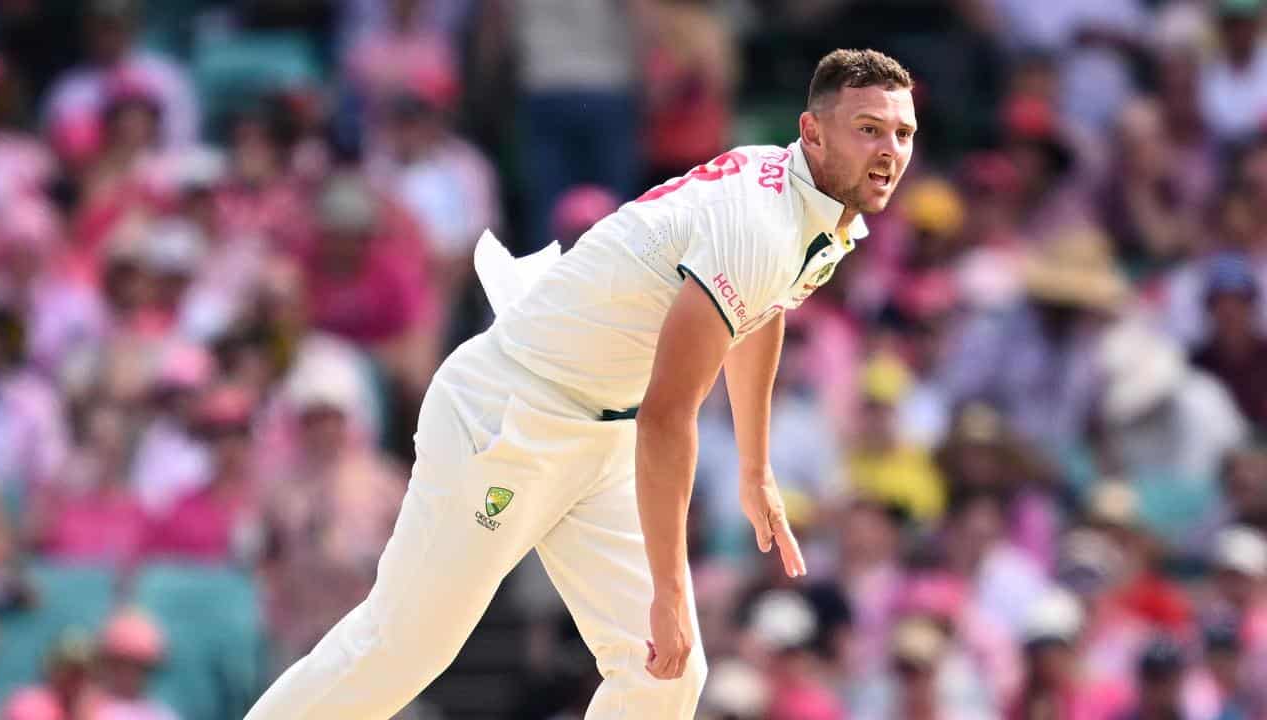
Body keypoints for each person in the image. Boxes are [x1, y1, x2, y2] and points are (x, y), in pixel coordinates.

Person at [245, 48, 917, 719]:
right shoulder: (764, 226)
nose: (889, 149)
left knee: (666, 671)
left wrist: (754, 465)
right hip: (515, 411)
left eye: (902, 133)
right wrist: (671, 592)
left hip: (600, 428)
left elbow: (765, 308)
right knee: (405, 647)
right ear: (813, 131)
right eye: (868, 129)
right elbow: (668, 417)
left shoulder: (814, 203)